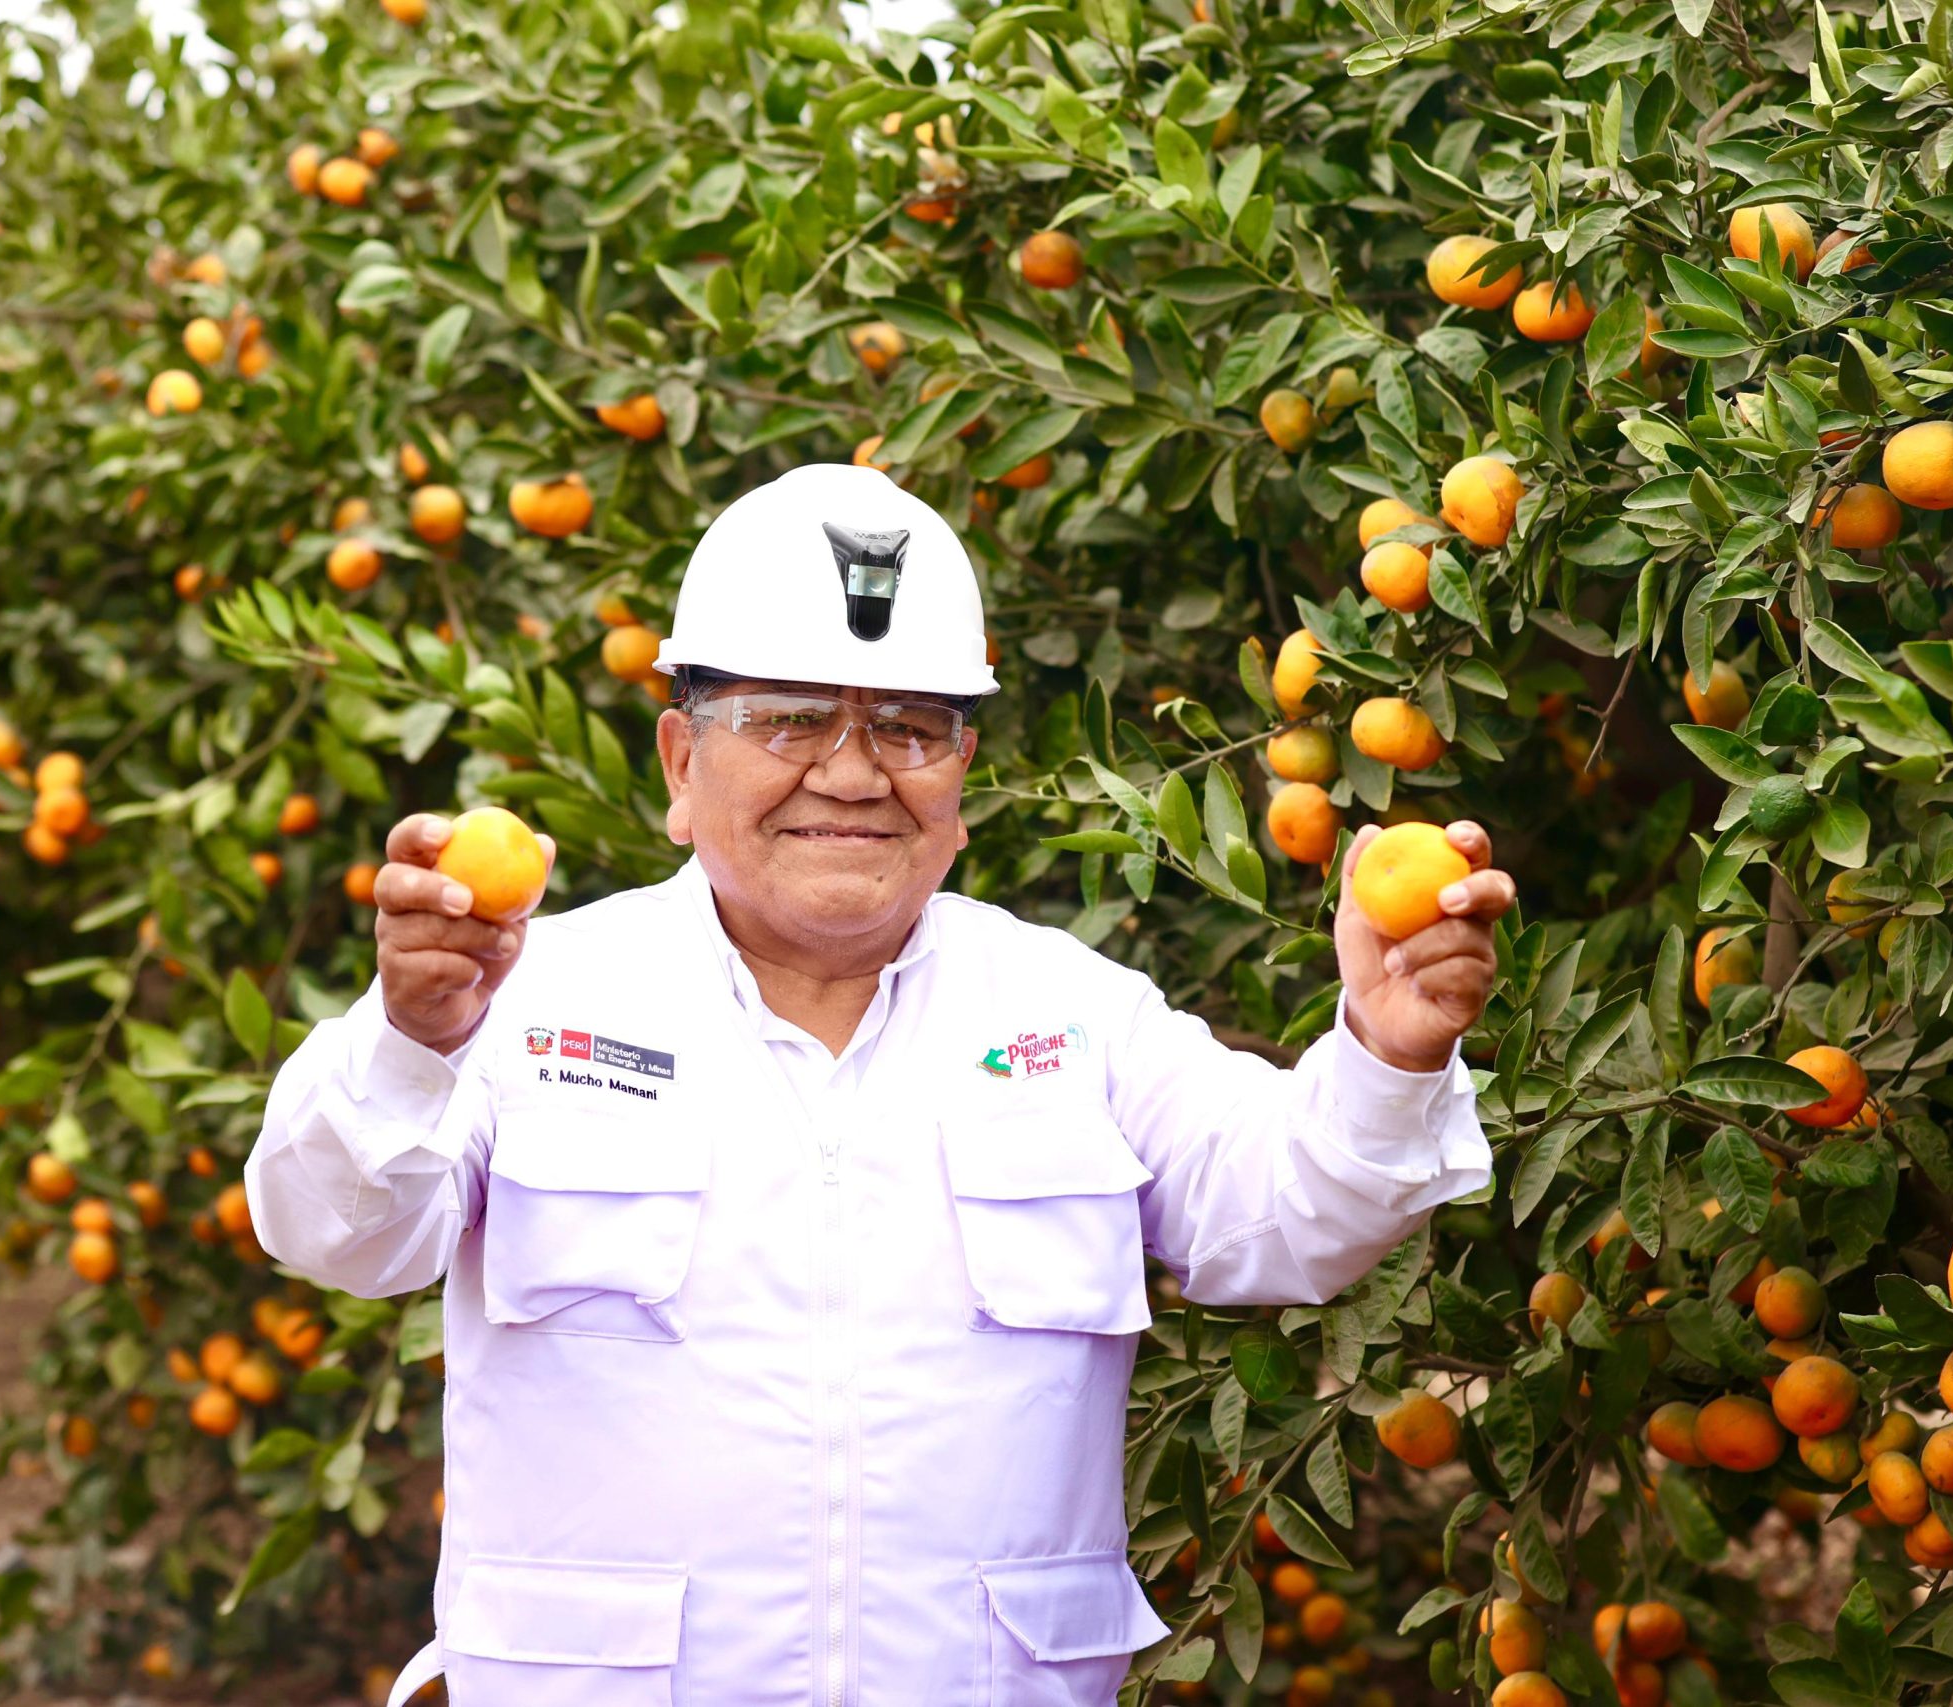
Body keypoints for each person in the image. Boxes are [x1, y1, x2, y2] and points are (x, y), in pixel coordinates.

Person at [246, 462, 1516, 1707]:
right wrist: (413, 1040)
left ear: (962, 779)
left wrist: (1390, 1050)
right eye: (791, 718)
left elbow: (1286, 1222)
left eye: (908, 727)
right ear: (683, 764)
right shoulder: (524, 1000)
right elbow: (337, 1235)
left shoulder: (1068, 1013)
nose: (853, 773)